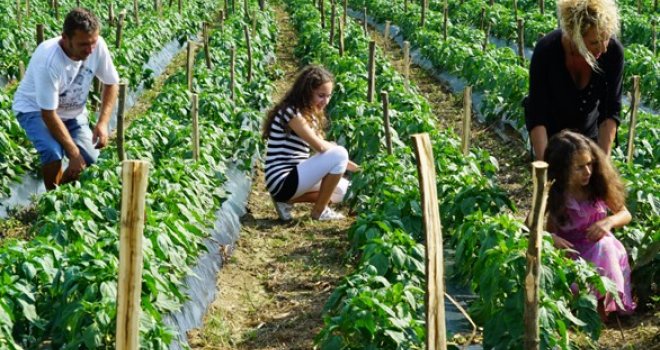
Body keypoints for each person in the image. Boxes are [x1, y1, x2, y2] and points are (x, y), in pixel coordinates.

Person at [12, 8, 119, 190]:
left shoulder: (97, 45)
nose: (90, 49)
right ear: (65, 38)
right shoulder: (49, 60)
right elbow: (48, 114)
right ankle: (51, 199)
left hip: (71, 112)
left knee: (90, 157)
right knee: (52, 152)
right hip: (35, 109)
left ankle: (62, 194)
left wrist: (102, 123)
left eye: (93, 43)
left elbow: (112, 83)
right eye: (83, 44)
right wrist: (73, 152)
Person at [545, 130, 636, 318]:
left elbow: (625, 214)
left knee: (605, 246)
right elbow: (532, 228)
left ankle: (604, 306)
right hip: (570, 256)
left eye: (589, 164)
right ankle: (584, 307)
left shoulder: (598, 186)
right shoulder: (554, 194)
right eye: (579, 167)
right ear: (562, 170)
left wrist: (608, 222)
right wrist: (551, 238)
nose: (587, 171)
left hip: (601, 251)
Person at [524, 0, 623, 160]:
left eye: (606, 38)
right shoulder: (547, 51)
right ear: (574, 36)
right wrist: (544, 166)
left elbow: (610, 111)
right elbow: (537, 114)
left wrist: (603, 163)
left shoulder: (612, 53)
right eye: (594, 42)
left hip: (589, 141)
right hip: (553, 143)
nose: (603, 47)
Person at [262, 65, 360, 221]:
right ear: (307, 92)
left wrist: (357, 168)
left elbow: (324, 148)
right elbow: (319, 146)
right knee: (339, 152)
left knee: (345, 190)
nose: (325, 101)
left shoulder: (309, 114)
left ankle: (285, 201)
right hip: (282, 179)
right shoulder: (291, 112)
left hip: (295, 177)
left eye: (328, 96)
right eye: (321, 95)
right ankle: (319, 211)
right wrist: (337, 151)